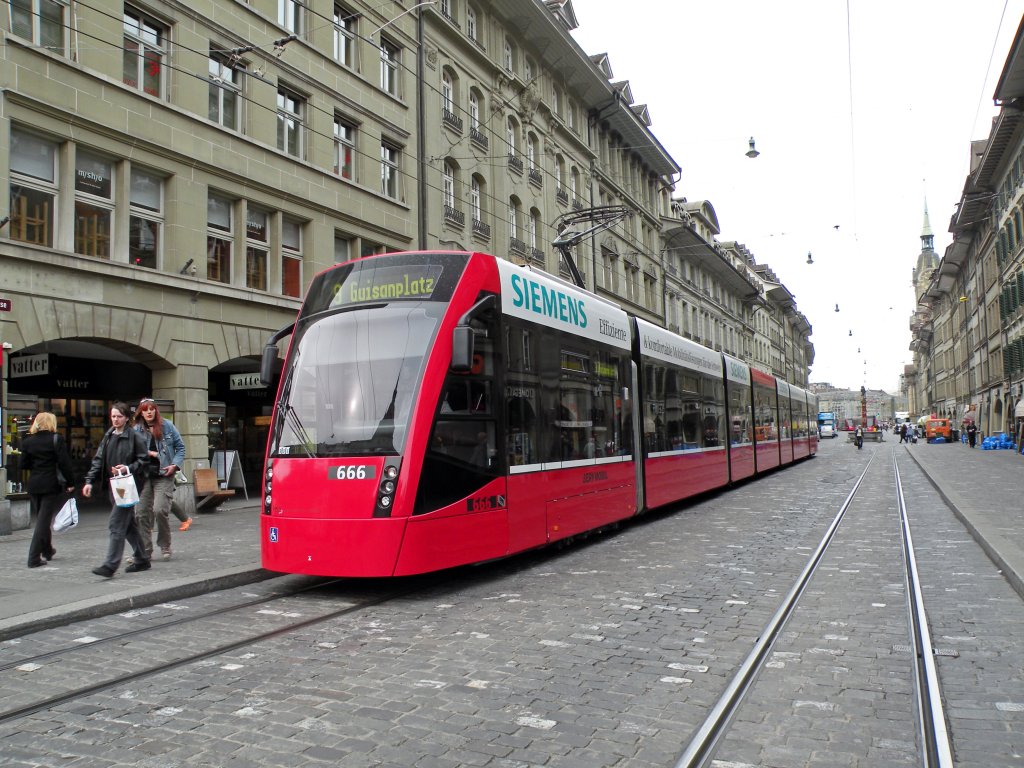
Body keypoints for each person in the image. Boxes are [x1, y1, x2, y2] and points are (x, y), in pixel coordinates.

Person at [83, 401, 151, 578]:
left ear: (127, 418)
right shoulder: (108, 436)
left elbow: (144, 461)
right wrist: (89, 481)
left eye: (119, 416)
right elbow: (98, 460)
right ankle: (142, 559)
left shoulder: (135, 437)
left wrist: (127, 468)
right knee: (128, 526)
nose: (115, 419)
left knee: (116, 523)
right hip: (113, 485)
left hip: (128, 486)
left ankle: (110, 565)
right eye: (113, 416)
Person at [133, 398, 187, 560]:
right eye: (145, 410)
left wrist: (174, 465)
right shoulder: (136, 429)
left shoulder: (167, 426)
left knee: (159, 510)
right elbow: (130, 451)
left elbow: (180, 448)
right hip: (144, 476)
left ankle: (165, 545)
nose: (149, 412)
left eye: (151, 409)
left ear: (156, 410)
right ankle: (145, 550)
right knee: (141, 513)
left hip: (164, 474)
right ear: (141, 412)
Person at [20, 412, 76, 568]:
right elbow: (64, 463)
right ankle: (33, 558)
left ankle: (47, 550)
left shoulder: (28, 441)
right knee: (43, 522)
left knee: (42, 518)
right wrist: (71, 482)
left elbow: (23, 464)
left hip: (34, 484)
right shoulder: (56, 439)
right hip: (50, 484)